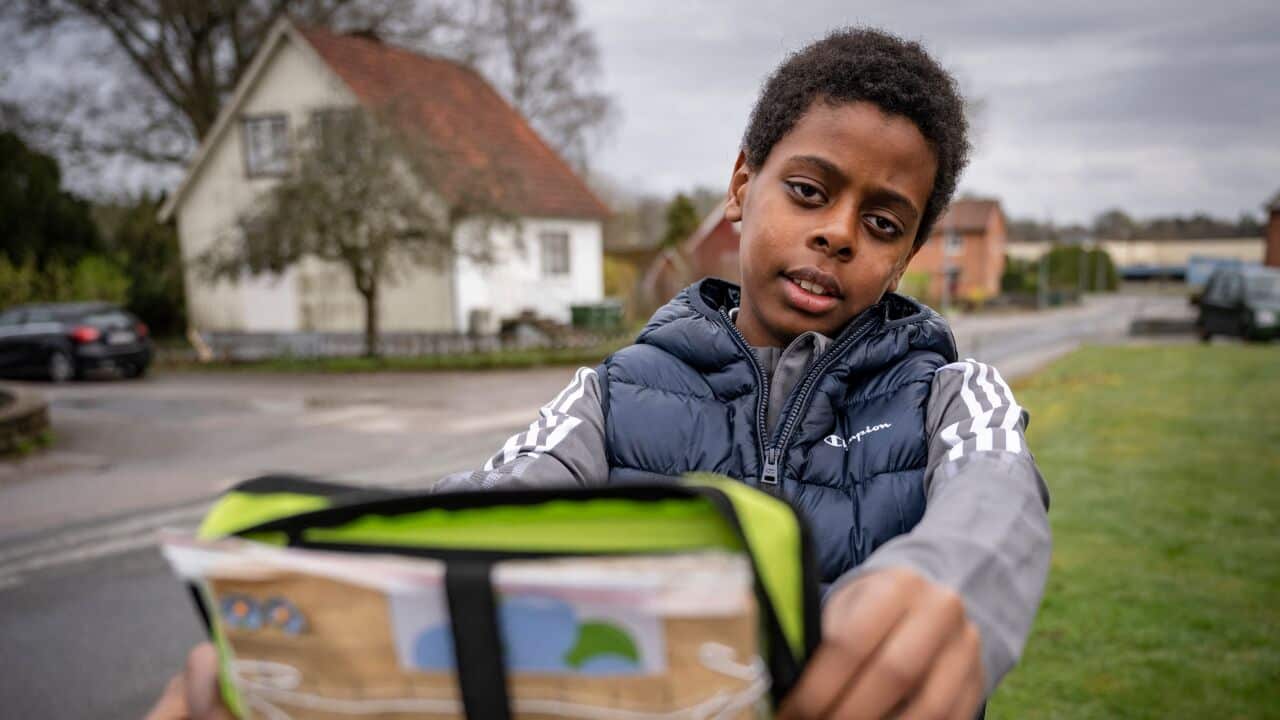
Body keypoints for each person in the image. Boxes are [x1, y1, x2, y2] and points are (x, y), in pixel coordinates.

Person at [152, 27, 1049, 720]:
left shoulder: (952, 394)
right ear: (743, 186)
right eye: (810, 191)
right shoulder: (608, 394)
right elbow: (471, 517)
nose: (840, 232)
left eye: (884, 223)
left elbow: (997, 498)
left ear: (908, 254)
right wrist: (316, 627)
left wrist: (946, 582)